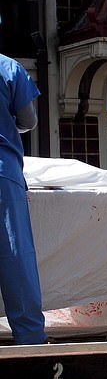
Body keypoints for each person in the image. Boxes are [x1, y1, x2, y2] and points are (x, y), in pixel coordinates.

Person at [0, 53, 48, 344]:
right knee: (15, 255)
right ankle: (30, 338)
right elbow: (29, 120)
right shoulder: (8, 67)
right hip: (3, 173)